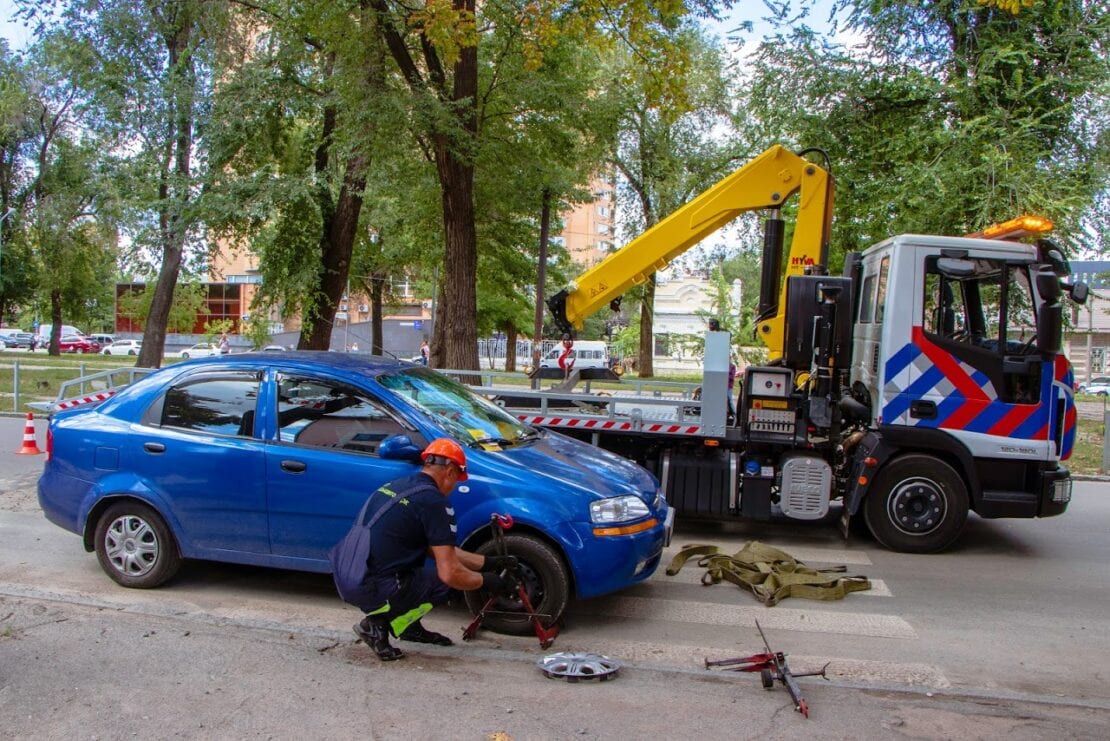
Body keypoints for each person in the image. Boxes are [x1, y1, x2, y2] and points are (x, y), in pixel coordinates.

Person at [352, 438, 519, 661]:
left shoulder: (399, 486)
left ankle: (408, 627)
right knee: (446, 584)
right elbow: (450, 572)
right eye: (457, 481)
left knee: (421, 568)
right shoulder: (434, 502)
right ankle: (374, 626)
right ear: (450, 471)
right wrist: (489, 582)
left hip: (351, 572)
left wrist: (489, 563)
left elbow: (436, 549)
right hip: (373, 585)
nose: (454, 487)